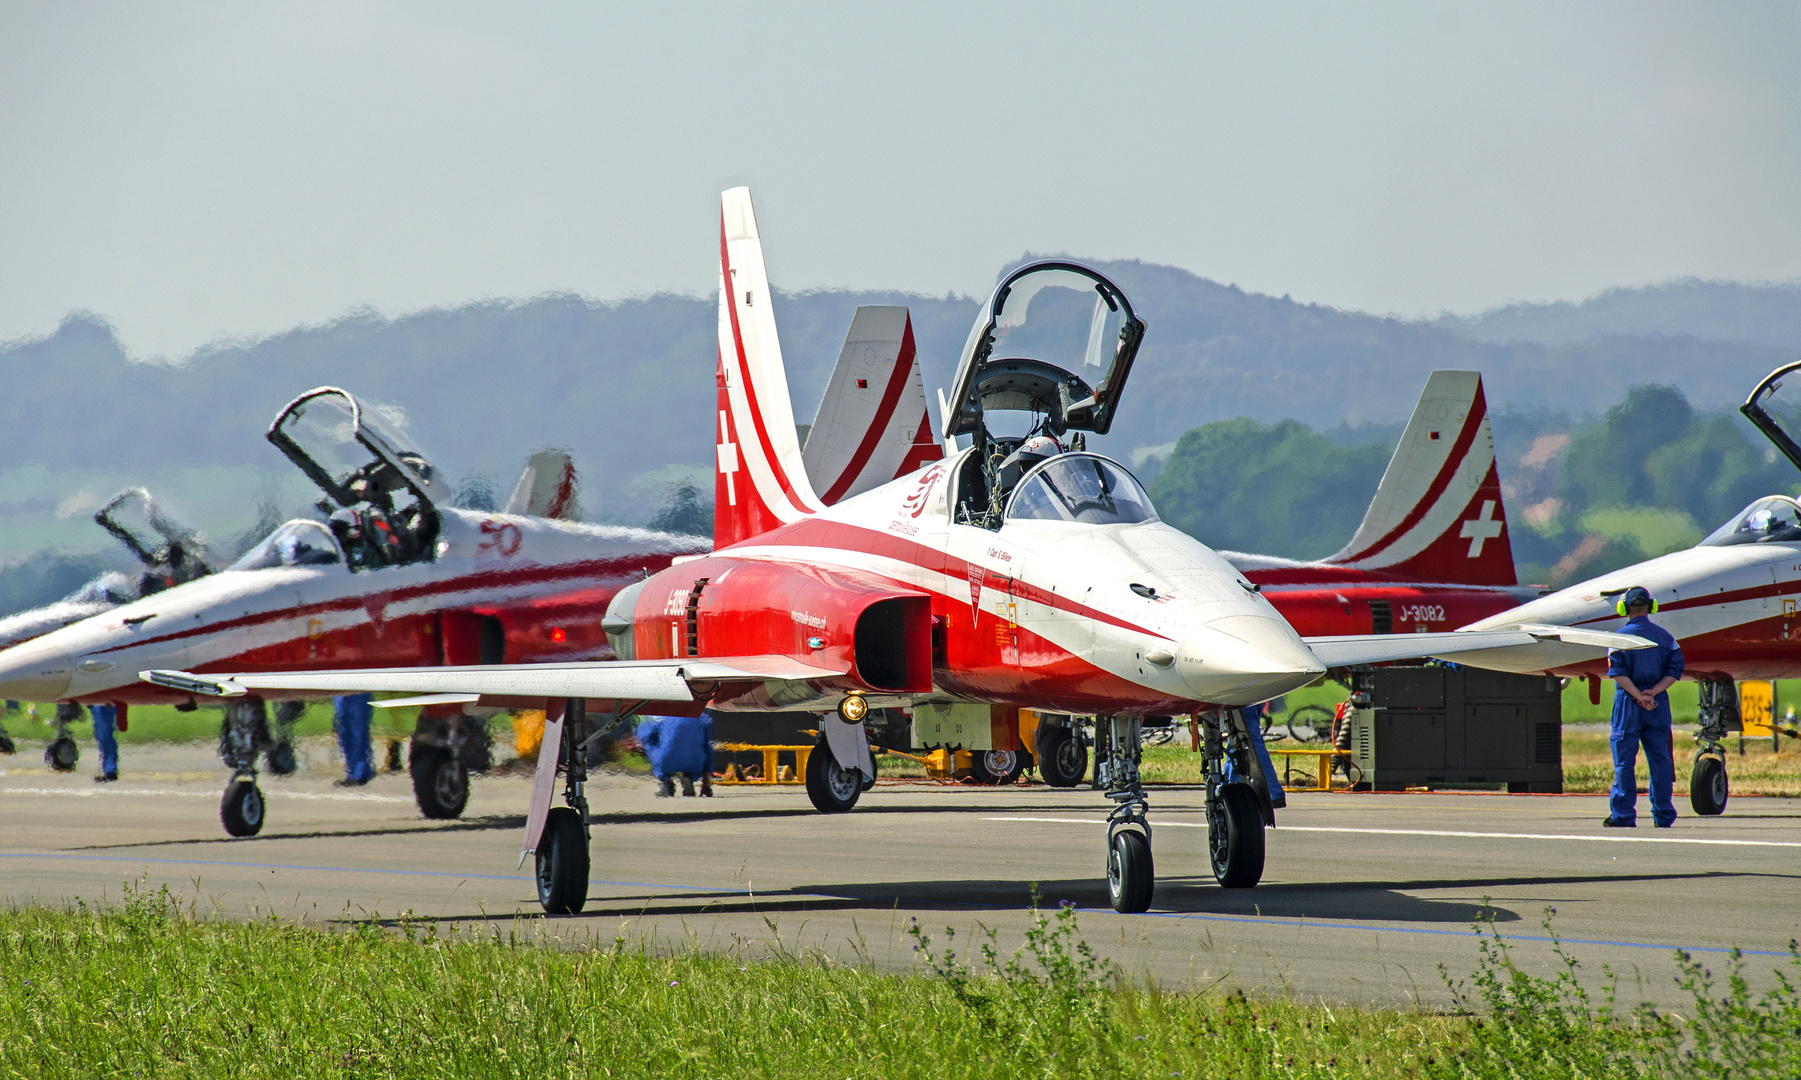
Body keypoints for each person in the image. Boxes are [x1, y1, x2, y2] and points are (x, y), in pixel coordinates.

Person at [1604, 586, 1684, 828]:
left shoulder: (1618, 639)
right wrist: (1653, 693)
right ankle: (1662, 815)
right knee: (1660, 760)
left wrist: (1638, 695)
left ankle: (1623, 816)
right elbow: (1674, 671)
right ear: (1651, 607)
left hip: (1628, 704)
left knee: (1624, 763)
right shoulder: (1667, 639)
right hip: (1657, 705)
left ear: (1624, 608)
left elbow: (1617, 673)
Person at [634, 712, 714, 797]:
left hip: (666, 760)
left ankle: (665, 780)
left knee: (653, 746)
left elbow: (645, 737)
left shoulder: (659, 717)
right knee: (706, 747)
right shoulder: (702, 717)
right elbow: (706, 744)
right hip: (694, 760)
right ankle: (700, 781)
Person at [333, 694, 377, 785]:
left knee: (357, 728)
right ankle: (354, 770)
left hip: (357, 690)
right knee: (345, 730)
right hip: (340, 689)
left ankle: (360, 772)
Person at [89, 703, 120, 782]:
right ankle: (109, 769)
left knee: (105, 735)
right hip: (98, 703)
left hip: (104, 703)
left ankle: (110, 770)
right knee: (102, 735)